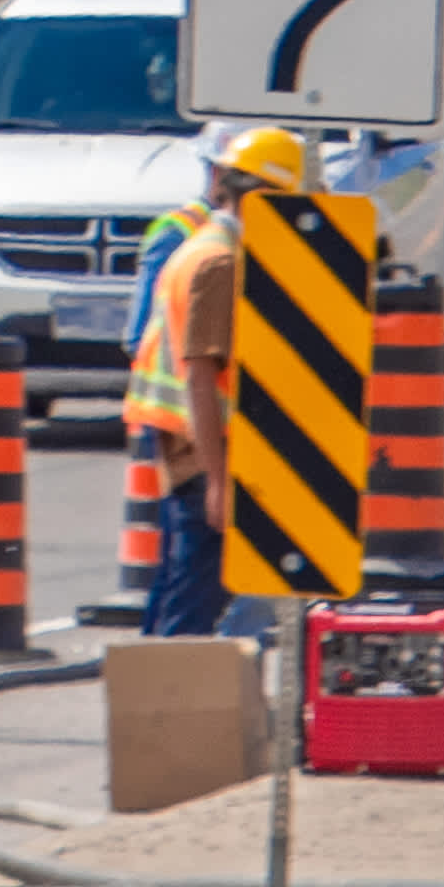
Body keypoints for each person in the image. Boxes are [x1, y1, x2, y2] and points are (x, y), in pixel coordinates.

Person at [122, 124, 315, 640]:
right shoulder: (220, 264)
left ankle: (156, 696)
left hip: (190, 442)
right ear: (264, 197)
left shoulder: (213, 248)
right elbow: (200, 379)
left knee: (178, 585)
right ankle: (170, 706)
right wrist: (216, 480)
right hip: (201, 446)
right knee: (194, 596)